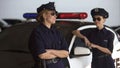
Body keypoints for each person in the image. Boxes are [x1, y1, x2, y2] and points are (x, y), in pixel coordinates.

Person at [29, 2, 69, 68]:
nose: (55, 16)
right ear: (44, 15)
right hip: (45, 66)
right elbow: (42, 55)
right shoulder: (37, 32)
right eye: (53, 13)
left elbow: (66, 53)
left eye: (56, 13)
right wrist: (59, 53)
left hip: (60, 65)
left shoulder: (57, 32)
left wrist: (50, 51)